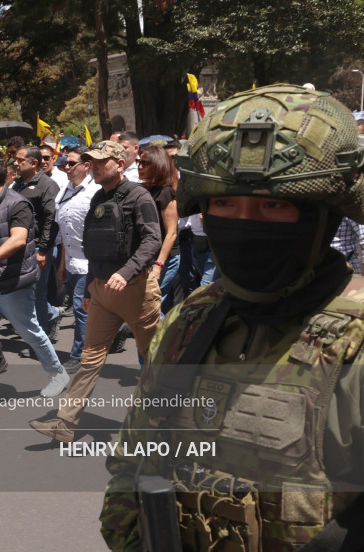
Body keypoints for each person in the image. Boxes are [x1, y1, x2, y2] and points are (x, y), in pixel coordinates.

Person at [100, 84, 364, 551]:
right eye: (224, 204)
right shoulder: (193, 317)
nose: (244, 224)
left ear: (320, 217)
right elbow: (137, 455)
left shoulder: (354, 340)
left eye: (272, 205)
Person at [29, 140, 161, 441]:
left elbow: (152, 241)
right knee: (90, 358)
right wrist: (90, 288)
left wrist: (125, 273)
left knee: (154, 359)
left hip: (136, 291)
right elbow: (94, 247)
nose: (95, 167)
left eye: (101, 162)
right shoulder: (97, 198)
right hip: (101, 291)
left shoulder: (139, 196)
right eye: (92, 162)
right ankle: (64, 423)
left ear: (118, 162)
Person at [0, 154, 69, 397]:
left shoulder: (18, 203)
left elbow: (18, 239)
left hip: (13, 284)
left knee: (31, 333)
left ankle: (58, 374)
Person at [55, 146, 99, 372]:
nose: (67, 167)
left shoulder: (95, 192)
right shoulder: (64, 191)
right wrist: (62, 264)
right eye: (66, 163)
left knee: (81, 309)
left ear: (86, 166)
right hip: (71, 261)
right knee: (86, 308)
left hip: (89, 263)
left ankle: (79, 354)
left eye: (72, 163)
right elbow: (65, 233)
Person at [11, 145, 61, 338]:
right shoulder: (16, 185)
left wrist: (43, 250)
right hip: (21, 245)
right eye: (15, 159)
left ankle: (41, 337)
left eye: (20, 160)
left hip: (39, 246)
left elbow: (50, 219)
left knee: (36, 294)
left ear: (34, 163)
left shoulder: (47, 185)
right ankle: (51, 314)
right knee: (23, 293)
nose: (15, 163)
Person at [138, 146, 180, 314]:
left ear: (158, 165)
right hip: (147, 257)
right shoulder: (142, 190)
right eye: (138, 162)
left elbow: (172, 233)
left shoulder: (166, 193)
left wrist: (158, 266)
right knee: (148, 305)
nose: (140, 166)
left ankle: (166, 339)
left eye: (145, 163)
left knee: (150, 305)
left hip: (165, 259)